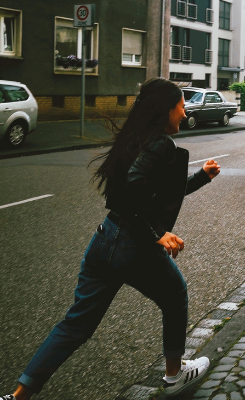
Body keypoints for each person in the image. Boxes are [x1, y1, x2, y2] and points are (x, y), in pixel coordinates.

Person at [2, 78, 220, 400]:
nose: (185, 110)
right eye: (181, 104)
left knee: (75, 324)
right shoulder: (160, 144)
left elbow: (154, 194)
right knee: (175, 294)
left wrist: (201, 177)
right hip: (134, 245)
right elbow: (134, 187)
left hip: (106, 238)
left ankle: (20, 396)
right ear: (166, 109)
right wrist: (157, 233)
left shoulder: (136, 139)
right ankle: (175, 375)